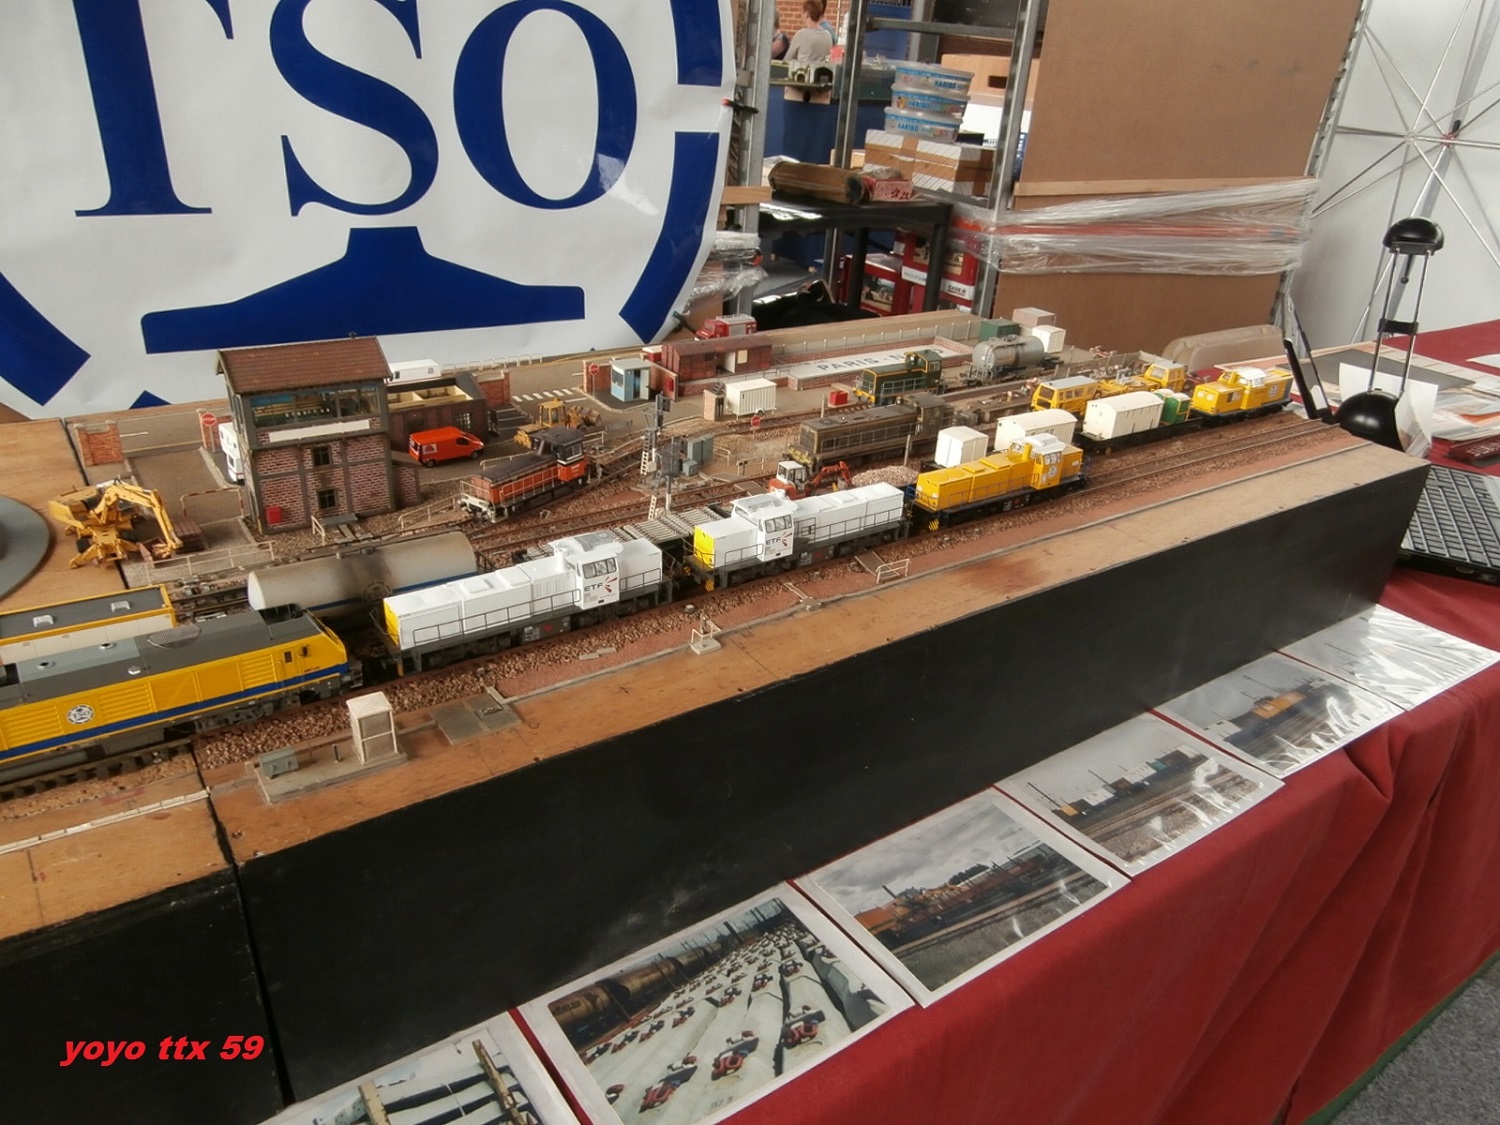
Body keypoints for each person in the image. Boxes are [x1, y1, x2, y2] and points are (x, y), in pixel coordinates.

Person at [786, 0, 833, 65]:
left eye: (802, 11)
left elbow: (787, 60)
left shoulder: (801, 34)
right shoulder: (828, 35)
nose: (801, 14)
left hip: (803, 70)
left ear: (807, 14)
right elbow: (828, 59)